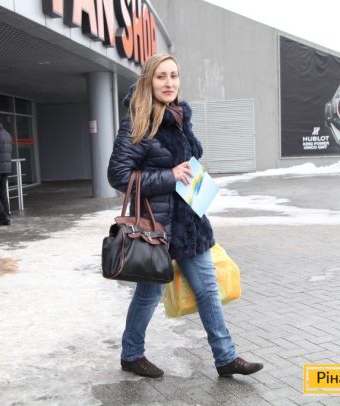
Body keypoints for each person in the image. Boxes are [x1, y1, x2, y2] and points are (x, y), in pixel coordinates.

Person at [107, 53, 264, 379]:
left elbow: (185, 166)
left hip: (190, 223)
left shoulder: (179, 118)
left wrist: (197, 184)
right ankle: (131, 354)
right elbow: (118, 175)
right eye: (161, 76)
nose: (169, 83)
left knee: (208, 289)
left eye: (174, 76)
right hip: (157, 226)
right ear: (148, 81)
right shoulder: (138, 122)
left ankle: (226, 358)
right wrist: (170, 176)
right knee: (148, 295)